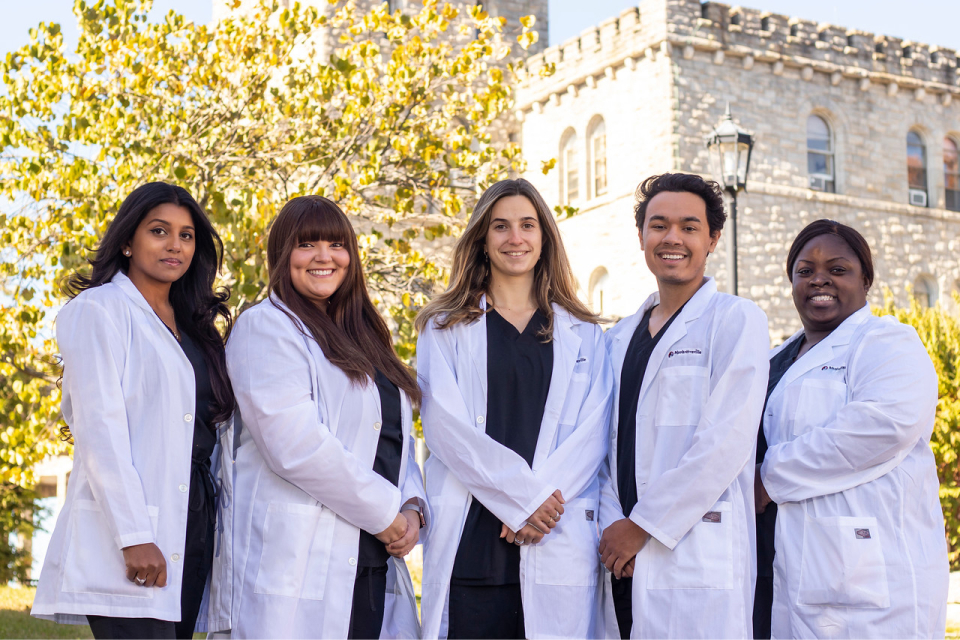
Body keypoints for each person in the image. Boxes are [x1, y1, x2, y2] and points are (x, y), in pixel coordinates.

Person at [31, 182, 236, 638]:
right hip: (136, 525)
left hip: (196, 516)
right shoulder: (99, 310)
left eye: (187, 236)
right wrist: (133, 534)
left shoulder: (196, 329)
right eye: (159, 231)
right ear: (128, 241)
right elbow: (98, 428)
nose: (175, 245)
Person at [416, 178, 614, 639]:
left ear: (544, 238)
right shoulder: (444, 328)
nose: (515, 238)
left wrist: (536, 507)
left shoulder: (583, 333)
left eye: (528, 225)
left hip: (552, 532)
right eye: (501, 227)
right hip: (476, 540)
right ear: (483, 241)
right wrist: (520, 500)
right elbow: (445, 428)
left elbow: (593, 431)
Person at [224, 195, 426, 639]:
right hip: (299, 561)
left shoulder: (366, 337)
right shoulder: (266, 327)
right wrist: (386, 512)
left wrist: (411, 507)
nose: (323, 257)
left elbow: (390, 439)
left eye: (336, 245)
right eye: (306, 245)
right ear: (282, 255)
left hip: (371, 556)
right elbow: (296, 445)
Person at [755, 219, 948, 638]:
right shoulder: (774, 360)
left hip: (870, 577)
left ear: (865, 280)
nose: (819, 278)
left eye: (837, 269)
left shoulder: (887, 342)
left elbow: (882, 426)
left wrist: (768, 479)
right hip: (786, 563)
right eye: (805, 271)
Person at [598, 173, 769, 639]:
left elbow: (725, 444)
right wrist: (616, 521)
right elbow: (605, 445)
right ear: (641, 237)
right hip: (620, 554)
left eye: (689, 227)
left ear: (713, 238)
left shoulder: (735, 320)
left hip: (692, 549)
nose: (672, 238)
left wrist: (642, 526)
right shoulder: (616, 338)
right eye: (659, 225)